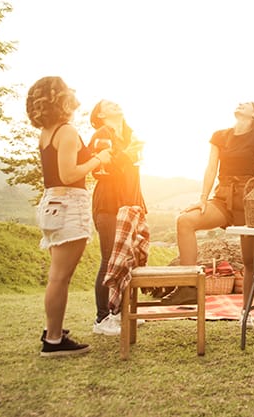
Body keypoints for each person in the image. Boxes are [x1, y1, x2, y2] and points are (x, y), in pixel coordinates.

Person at [27, 76, 113, 357]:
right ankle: (53, 340)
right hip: (67, 203)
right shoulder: (66, 131)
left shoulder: (49, 131)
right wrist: (98, 160)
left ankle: (53, 328)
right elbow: (69, 174)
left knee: (57, 275)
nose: (74, 91)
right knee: (59, 277)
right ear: (60, 98)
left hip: (53, 201)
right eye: (68, 89)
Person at [171, 102, 254, 330]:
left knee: (250, 261)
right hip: (223, 197)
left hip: (250, 202)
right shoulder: (220, 136)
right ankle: (188, 287)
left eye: (246, 104)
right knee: (185, 221)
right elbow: (211, 168)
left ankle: (246, 313)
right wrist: (203, 198)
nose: (240, 104)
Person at [86, 100, 147, 336]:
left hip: (129, 203)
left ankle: (120, 312)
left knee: (126, 260)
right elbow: (98, 169)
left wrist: (140, 205)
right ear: (100, 114)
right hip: (109, 203)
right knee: (109, 259)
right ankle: (102, 318)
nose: (115, 105)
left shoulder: (130, 135)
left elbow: (134, 172)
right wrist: (125, 155)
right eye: (108, 105)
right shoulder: (101, 133)